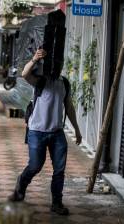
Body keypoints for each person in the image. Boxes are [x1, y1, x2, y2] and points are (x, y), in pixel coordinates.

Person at [8, 49, 82, 216]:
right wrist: (34, 59)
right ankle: (21, 185)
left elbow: (69, 107)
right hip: (37, 131)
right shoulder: (39, 80)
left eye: (60, 64)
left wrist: (77, 129)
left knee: (59, 170)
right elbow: (25, 73)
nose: (58, 66)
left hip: (57, 133)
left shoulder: (64, 83)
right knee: (35, 165)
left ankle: (57, 203)